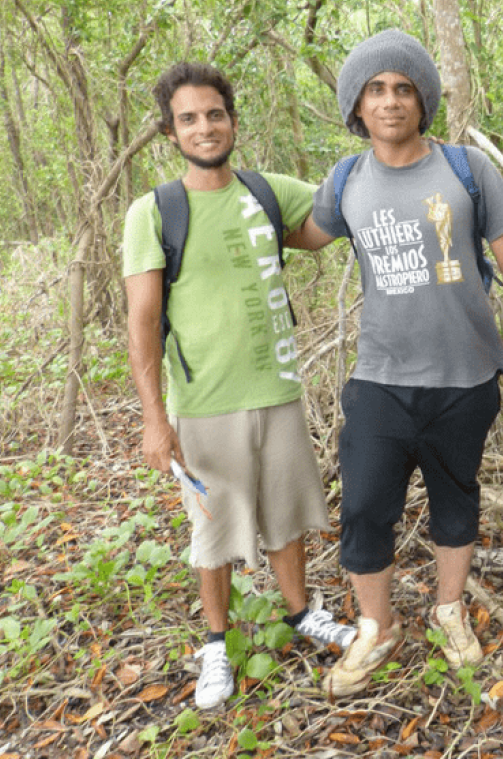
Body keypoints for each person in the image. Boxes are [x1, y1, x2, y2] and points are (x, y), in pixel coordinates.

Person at [285, 29, 503, 698]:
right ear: (357, 106)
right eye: (376, 90)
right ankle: (375, 627)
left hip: (465, 378)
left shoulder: (466, 169)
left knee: (455, 500)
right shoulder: (346, 181)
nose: (391, 100)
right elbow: (303, 235)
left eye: (404, 88)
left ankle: (448, 609)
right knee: (367, 506)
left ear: (422, 99)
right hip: (380, 379)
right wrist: (228, 199)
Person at [122, 62, 356, 710]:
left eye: (214, 114)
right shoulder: (154, 212)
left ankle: (302, 614)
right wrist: (153, 419)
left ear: (232, 118)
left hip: (277, 389)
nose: (205, 127)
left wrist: (374, 166)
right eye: (189, 118)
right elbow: (142, 322)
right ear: (171, 132)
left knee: (285, 515)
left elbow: (324, 226)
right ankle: (218, 646)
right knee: (214, 530)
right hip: (202, 404)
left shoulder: (265, 191)